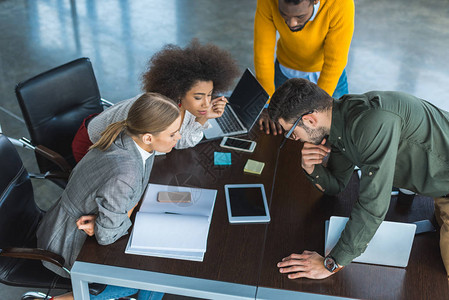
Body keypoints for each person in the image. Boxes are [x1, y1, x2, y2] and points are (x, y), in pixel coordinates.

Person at [268, 78, 449, 279]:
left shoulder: (371, 123)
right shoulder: (340, 122)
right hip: (437, 188)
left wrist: (331, 263)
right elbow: (336, 185)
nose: (295, 140)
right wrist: (311, 168)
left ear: (310, 120)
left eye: (291, 133)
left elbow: (374, 206)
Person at [34, 93, 181, 300]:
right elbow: (106, 236)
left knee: (157, 271)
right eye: (173, 134)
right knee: (154, 276)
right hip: (68, 244)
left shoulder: (129, 136)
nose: (178, 138)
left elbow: (128, 198)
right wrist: (108, 224)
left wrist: (108, 220)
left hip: (64, 222)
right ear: (149, 137)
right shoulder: (125, 173)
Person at [72, 39, 239, 162]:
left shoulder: (183, 106)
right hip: (93, 146)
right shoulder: (158, 112)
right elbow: (153, 151)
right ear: (179, 92)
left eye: (209, 94)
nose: (207, 102)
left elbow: (180, 142)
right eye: (198, 97)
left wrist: (203, 116)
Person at [254, 0, 354, 135]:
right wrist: (267, 103)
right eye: (284, 14)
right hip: (285, 71)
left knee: (338, 130)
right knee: (283, 132)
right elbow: (262, 52)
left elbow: (334, 61)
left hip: (329, 75)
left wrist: (318, 110)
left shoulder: (341, 4)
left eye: (300, 17)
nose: (291, 23)